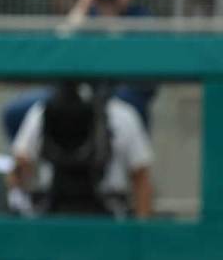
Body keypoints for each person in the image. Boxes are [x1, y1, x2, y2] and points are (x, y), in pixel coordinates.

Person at [8, 81, 153, 218]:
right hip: (54, 214)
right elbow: (20, 167)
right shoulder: (42, 113)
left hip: (110, 218)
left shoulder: (123, 115)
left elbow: (141, 179)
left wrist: (141, 236)